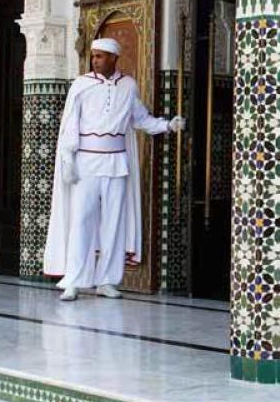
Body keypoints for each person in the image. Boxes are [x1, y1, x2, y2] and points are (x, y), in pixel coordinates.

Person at [42, 37, 183, 301]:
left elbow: (140, 119)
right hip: (85, 164)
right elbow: (70, 123)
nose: (95, 60)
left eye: (100, 56)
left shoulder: (128, 86)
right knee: (81, 221)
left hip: (116, 163)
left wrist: (167, 126)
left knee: (114, 223)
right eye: (93, 56)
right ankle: (74, 279)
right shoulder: (81, 85)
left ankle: (106, 280)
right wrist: (69, 160)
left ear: (114, 58)